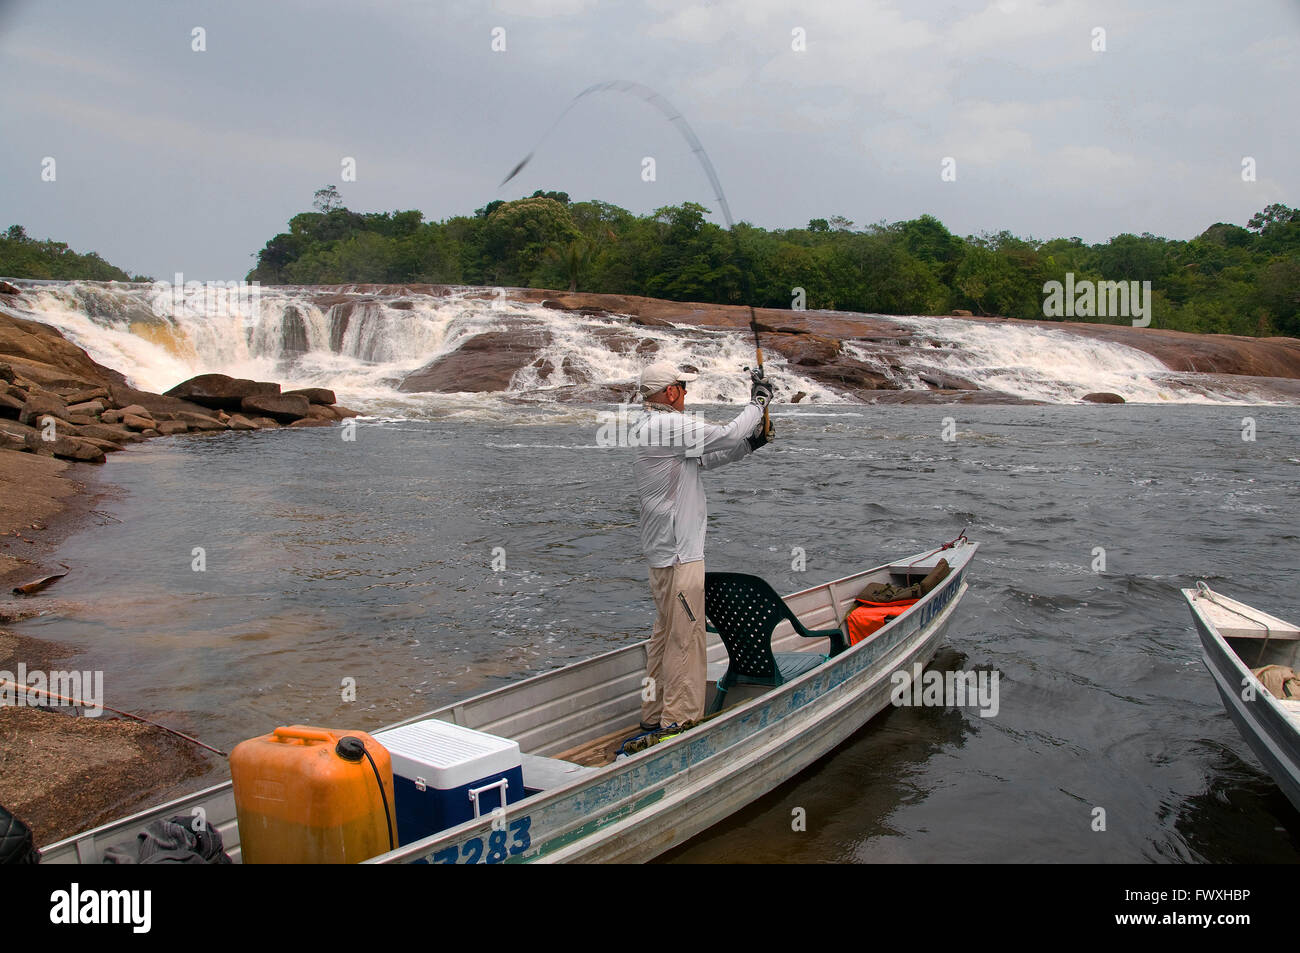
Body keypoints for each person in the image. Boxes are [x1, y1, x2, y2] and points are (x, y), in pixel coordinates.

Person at [629, 360, 774, 740]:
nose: (687, 394)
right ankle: (679, 722)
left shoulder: (650, 426)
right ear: (671, 392)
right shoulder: (667, 425)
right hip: (680, 555)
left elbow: (709, 457)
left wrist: (750, 444)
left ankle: (654, 712)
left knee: (665, 634)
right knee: (686, 638)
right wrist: (758, 403)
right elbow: (725, 435)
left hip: (662, 555)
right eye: (683, 387)